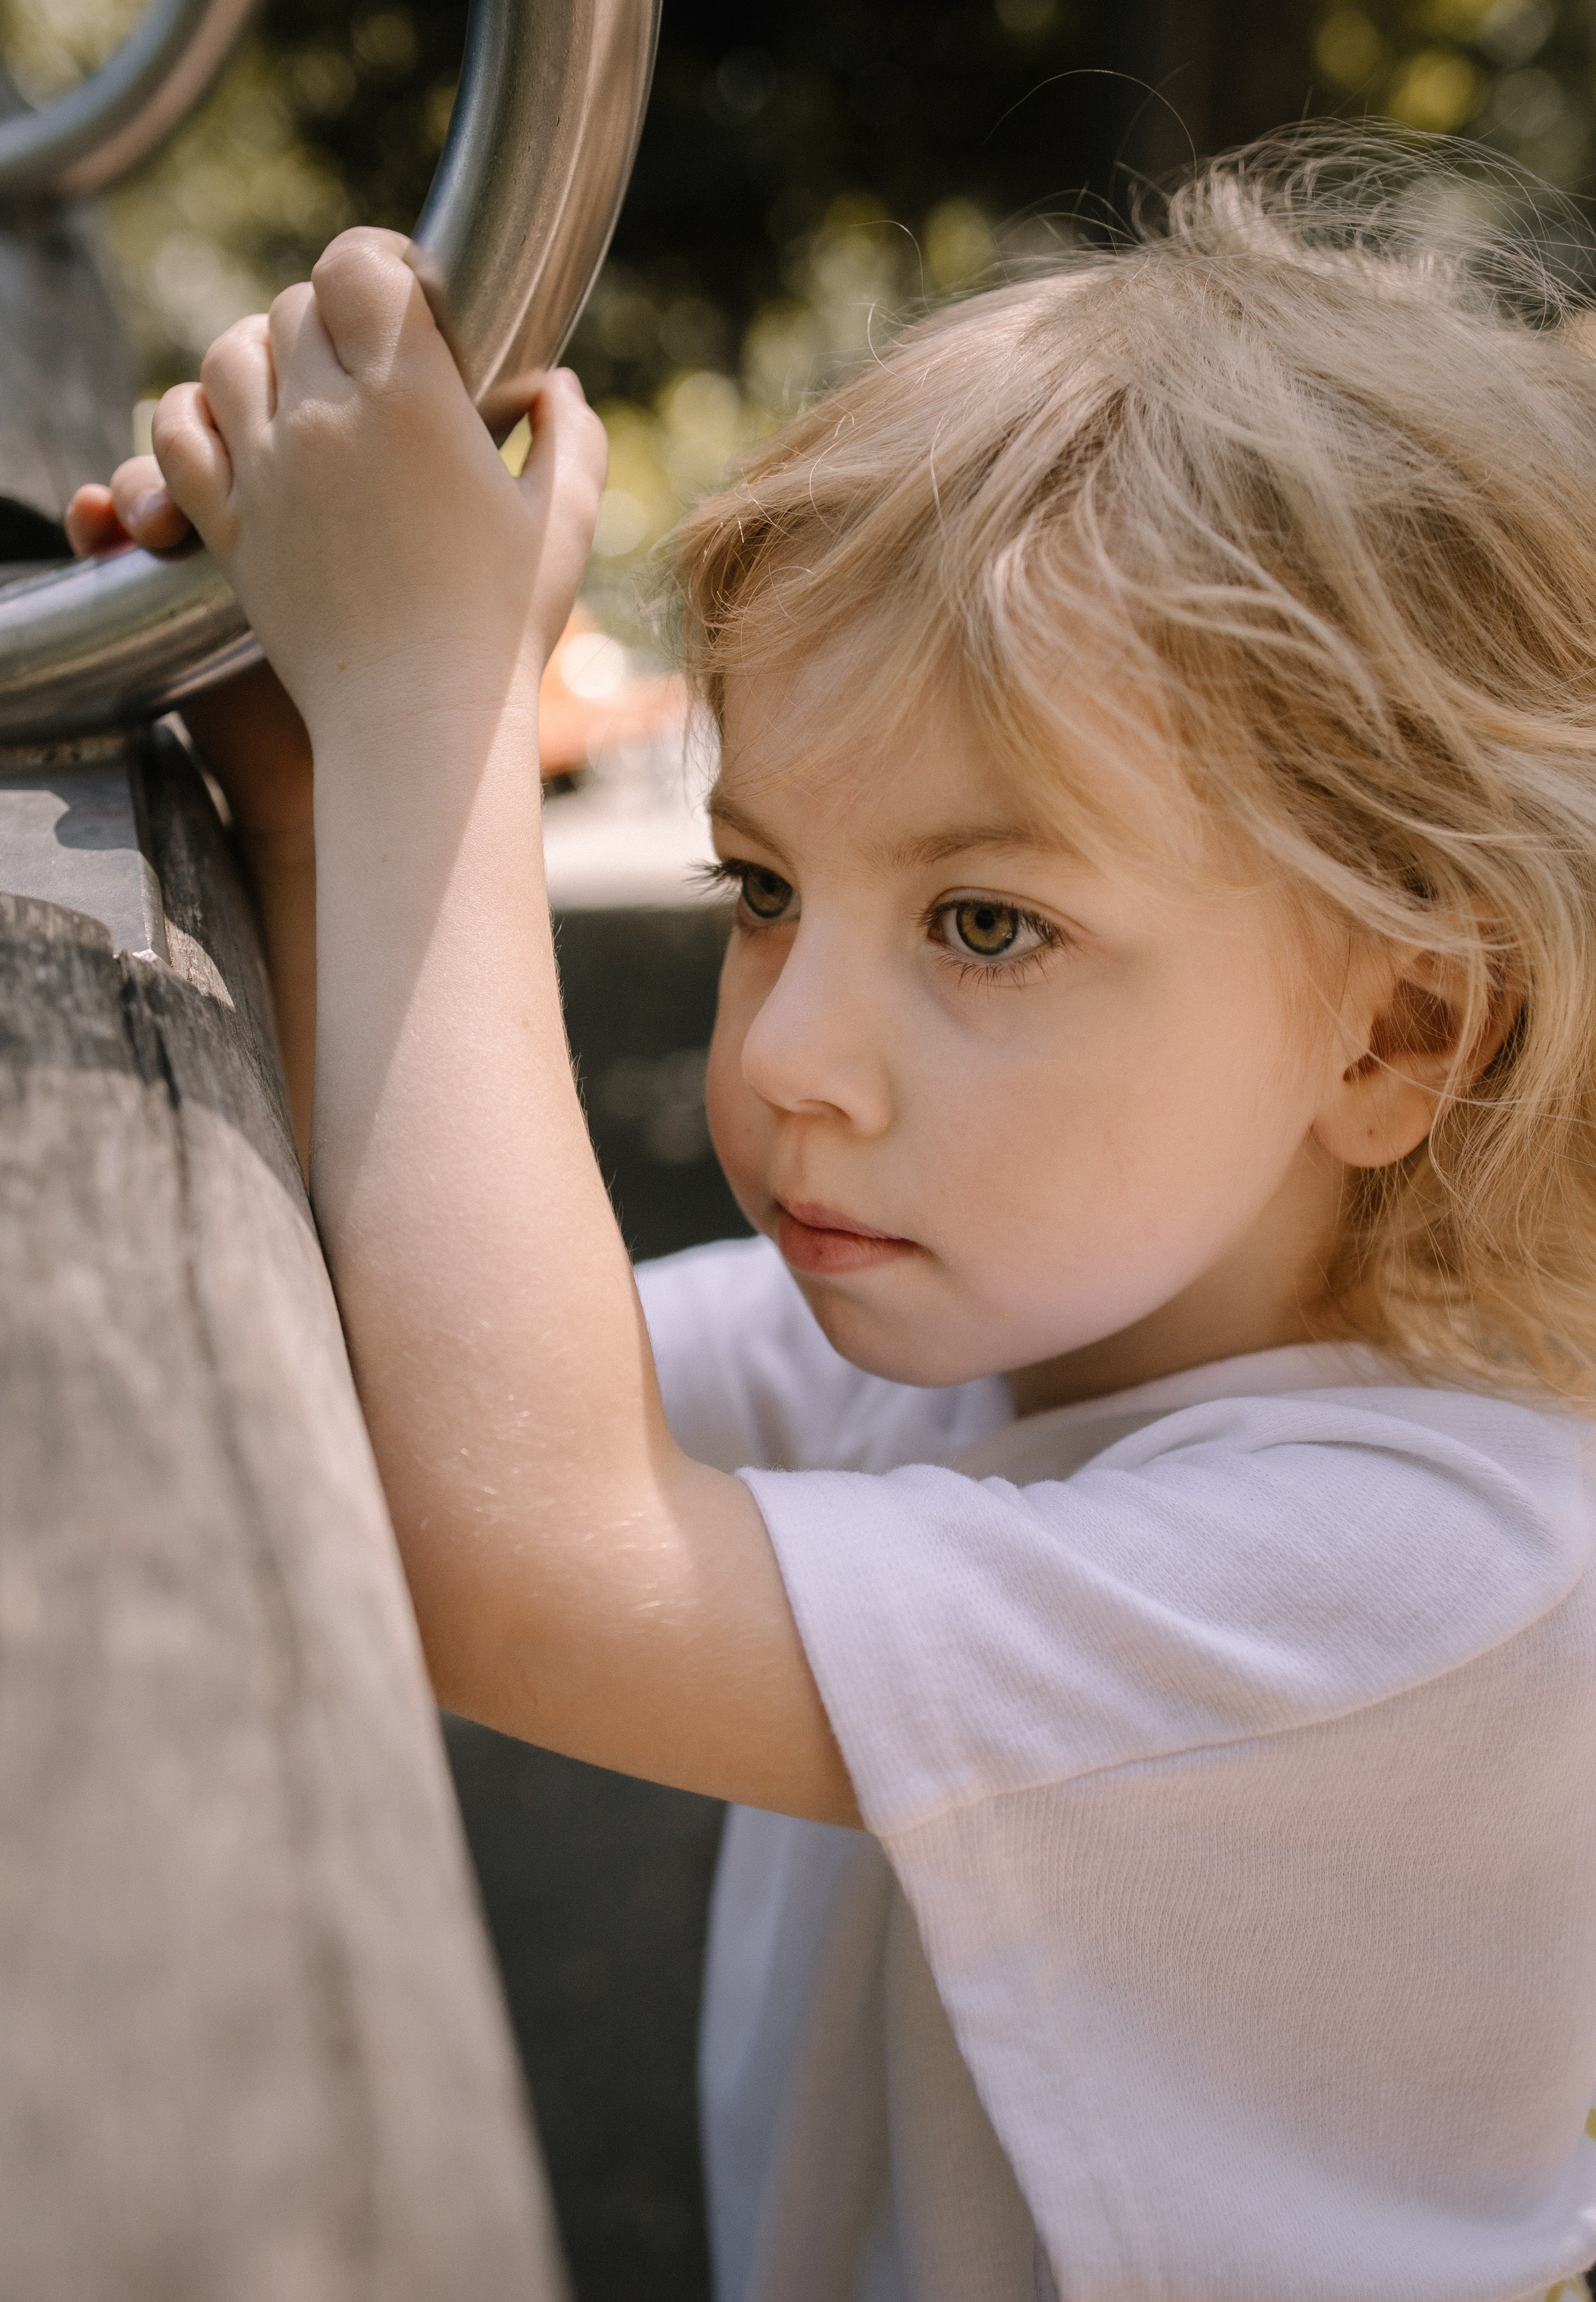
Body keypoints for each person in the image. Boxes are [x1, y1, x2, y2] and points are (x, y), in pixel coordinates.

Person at [69, 134, 1596, 2302]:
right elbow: (431, 1358)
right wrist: (320, 802)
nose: (792, 1055)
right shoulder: (999, 1326)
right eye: (768, 886)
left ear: (1401, 1030)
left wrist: (437, 708)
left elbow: (527, 1559)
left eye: (987, 923)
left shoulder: (1424, 1570)